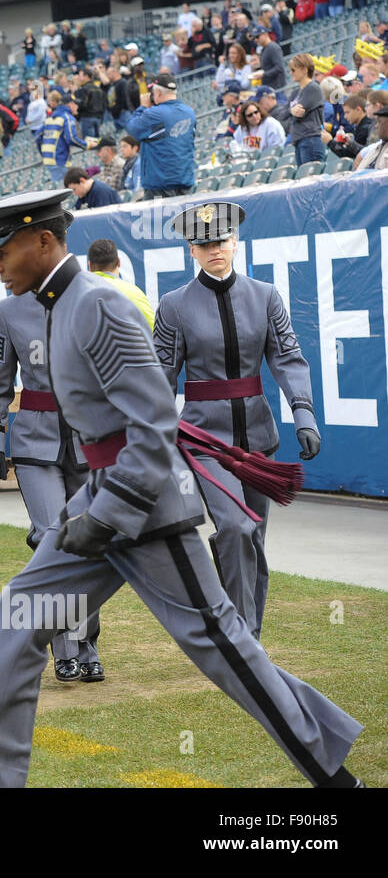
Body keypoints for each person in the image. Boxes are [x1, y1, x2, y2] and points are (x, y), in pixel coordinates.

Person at [0, 189, 364, 789]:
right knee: (19, 616)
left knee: (222, 646)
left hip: (145, 504)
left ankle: (337, 782)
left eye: (2, 249)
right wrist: (97, 506)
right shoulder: (59, 304)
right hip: (105, 493)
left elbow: (154, 420)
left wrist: (112, 512)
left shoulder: (96, 305)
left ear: (44, 241)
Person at [153, 202, 320, 638]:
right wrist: (144, 435)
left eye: (221, 240)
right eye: (204, 243)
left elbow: (287, 357)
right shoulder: (174, 306)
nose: (214, 250)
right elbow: (159, 375)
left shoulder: (265, 296)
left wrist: (303, 413)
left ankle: (251, 637)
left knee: (253, 540)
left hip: (259, 440)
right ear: (192, 249)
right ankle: (238, 634)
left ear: (235, 241)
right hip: (204, 441)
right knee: (234, 527)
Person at [0, 270, 102, 683]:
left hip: (91, 440)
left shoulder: (95, 298)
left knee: (85, 540)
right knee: (53, 538)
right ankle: (64, 646)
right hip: (36, 440)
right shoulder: (6, 311)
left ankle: (88, 644)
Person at [123, 71, 196, 198]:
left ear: (158, 93)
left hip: (160, 184)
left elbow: (131, 127)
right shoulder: (189, 112)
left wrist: (143, 107)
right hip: (184, 180)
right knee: (183, 217)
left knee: (162, 218)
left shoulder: (154, 114)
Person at [86, 238, 154, 329]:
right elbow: (154, 333)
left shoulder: (79, 294)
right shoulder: (134, 293)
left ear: (89, 266)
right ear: (119, 262)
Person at [286, 53, 326, 166]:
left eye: (293, 70)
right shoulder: (295, 92)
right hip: (300, 140)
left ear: (304, 70)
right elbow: (283, 114)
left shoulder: (313, 88)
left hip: (311, 139)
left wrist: (291, 111)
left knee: (309, 179)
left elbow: (299, 113)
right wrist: (291, 110)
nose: (290, 73)